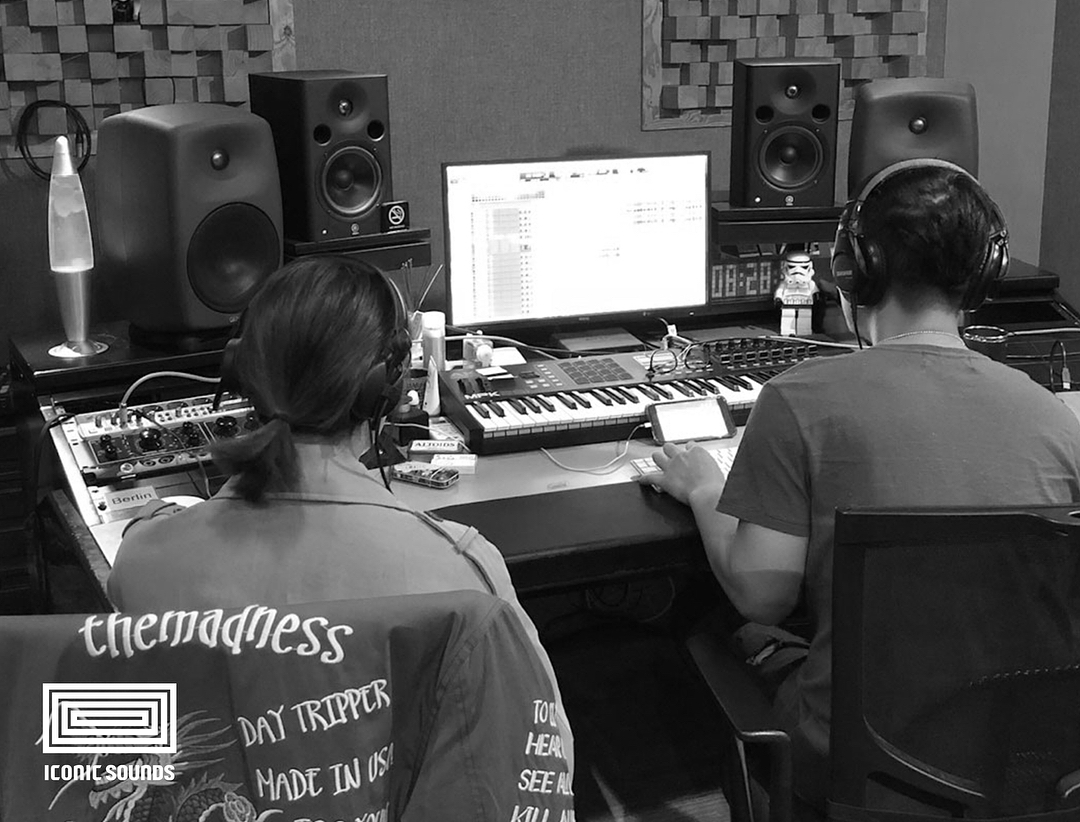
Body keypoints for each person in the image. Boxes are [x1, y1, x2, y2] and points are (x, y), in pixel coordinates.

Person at [639, 159, 1080, 807]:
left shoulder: (798, 401)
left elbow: (762, 596)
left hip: (856, 763)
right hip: (1019, 763)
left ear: (853, 270)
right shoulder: (1056, 419)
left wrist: (705, 490)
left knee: (724, 629)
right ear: (983, 276)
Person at [107, 255, 573, 777]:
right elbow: (545, 757)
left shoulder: (141, 560)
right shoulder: (462, 569)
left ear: (240, 371)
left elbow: (127, 761)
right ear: (385, 386)